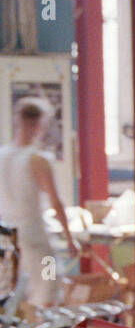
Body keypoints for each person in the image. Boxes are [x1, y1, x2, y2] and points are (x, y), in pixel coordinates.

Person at [0, 97, 82, 307]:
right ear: (38, 124)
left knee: (10, 294)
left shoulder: (2, 156)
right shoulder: (38, 159)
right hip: (34, 238)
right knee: (50, 282)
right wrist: (70, 237)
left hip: (6, 237)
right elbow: (56, 202)